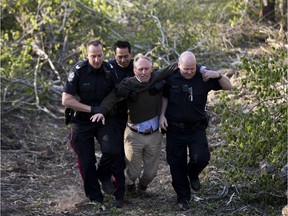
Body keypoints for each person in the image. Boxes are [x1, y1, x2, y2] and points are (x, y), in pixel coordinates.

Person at [90, 53, 210, 194]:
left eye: (147, 69)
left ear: (152, 69)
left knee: (150, 174)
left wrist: (202, 69)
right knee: (133, 173)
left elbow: (177, 65)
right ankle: (124, 185)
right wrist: (101, 111)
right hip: (134, 134)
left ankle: (142, 186)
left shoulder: (157, 78)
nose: (144, 72)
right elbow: (112, 97)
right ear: (134, 70)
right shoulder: (128, 84)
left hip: (154, 134)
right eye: (140, 69)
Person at [159, 51, 232, 211]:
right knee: (176, 165)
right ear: (179, 66)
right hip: (174, 129)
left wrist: (218, 75)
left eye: (192, 68)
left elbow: (229, 86)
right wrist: (162, 115)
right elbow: (164, 97)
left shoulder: (203, 77)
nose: (189, 72)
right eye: (186, 69)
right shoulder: (170, 78)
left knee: (202, 158)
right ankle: (183, 197)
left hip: (196, 128)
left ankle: (192, 174)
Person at [62, 39, 124, 207]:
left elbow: (117, 92)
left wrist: (102, 110)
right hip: (81, 121)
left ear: (104, 54)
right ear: (86, 55)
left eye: (99, 56)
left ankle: (104, 174)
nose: (96, 60)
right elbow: (66, 100)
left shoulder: (110, 69)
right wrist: (91, 109)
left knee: (112, 150)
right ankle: (95, 198)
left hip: (103, 118)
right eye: (93, 56)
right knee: (87, 162)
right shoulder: (78, 71)